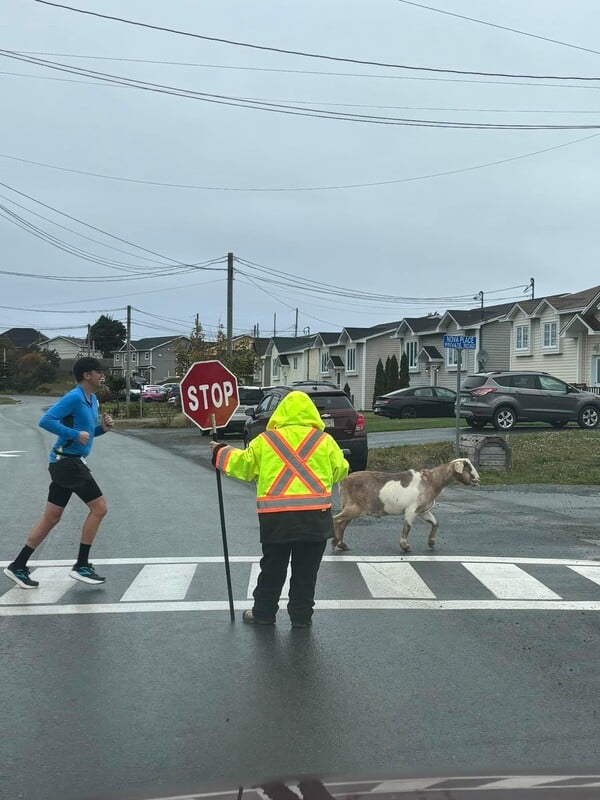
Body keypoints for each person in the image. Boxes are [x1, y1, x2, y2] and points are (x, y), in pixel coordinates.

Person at [211, 390, 349, 628]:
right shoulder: (323, 441)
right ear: (312, 414)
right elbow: (340, 470)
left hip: (276, 519)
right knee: (306, 573)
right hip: (315, 520)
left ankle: (263, 614)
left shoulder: (266, 441)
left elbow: (243, 466)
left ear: (280, 413)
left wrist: (219, 452)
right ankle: (301, 618)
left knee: (273, 569)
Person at [3, 357, 114, 589]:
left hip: (69, 462)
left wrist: (101, 429)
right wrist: (74, 435)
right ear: (86, 375)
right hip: (66, 462)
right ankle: (82, 565)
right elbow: (46, 420)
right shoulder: (74, 397)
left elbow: (86, 433)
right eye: (98, 372)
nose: (101, 375)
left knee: (52, 516)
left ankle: (18, 565)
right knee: (100, 507)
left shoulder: (92, 400)